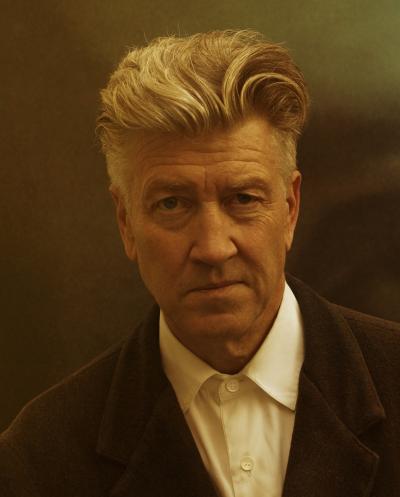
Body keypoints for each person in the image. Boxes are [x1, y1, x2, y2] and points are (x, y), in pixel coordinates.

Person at [1, 29, 399, 497]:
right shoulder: (40, 457)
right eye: (172, 204)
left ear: (290, 208)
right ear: (126, 222)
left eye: (243, 198)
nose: (212, 248)